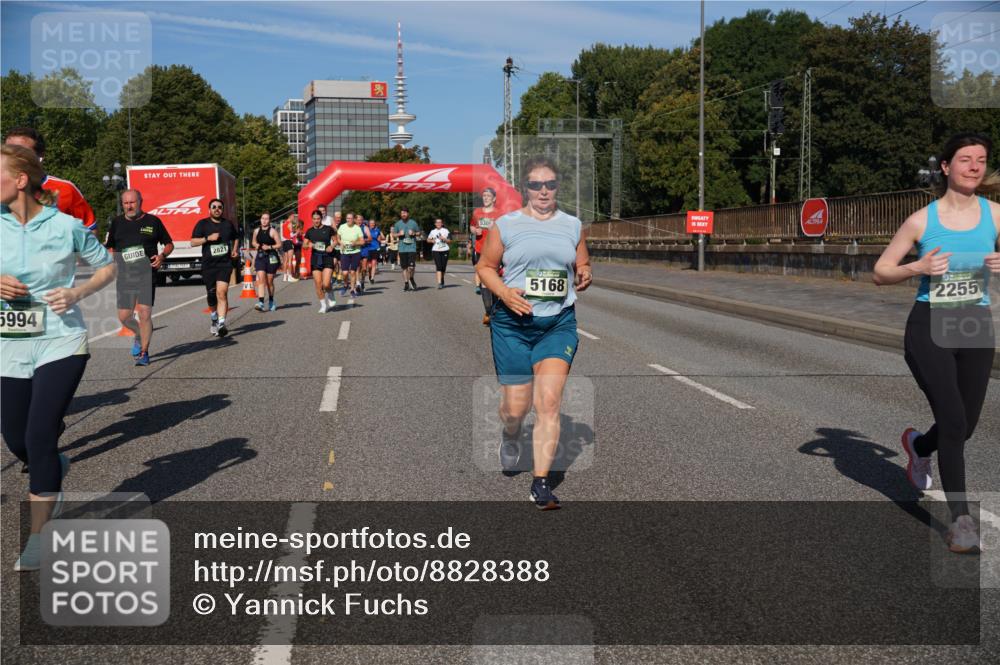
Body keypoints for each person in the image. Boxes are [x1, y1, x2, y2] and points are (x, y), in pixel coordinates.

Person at [874, 132, 1000, 554]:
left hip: (975, 325)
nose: (974, 167)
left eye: (981, 160)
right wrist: (919, 267)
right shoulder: (921, 220)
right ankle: (961, 523)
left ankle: (918, 446)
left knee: (964, 426)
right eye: (965, 159)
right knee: (953, 419)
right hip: (930, 326)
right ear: (946, 167)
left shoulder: (996, 214)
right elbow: (881, 272)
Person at [1, 144, 116, 570]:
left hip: (60, 341)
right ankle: (52, 463)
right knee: (16, 440)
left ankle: (39, 538)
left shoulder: (65, 226)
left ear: (20, 180)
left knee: (38, 436)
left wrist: (77, 292)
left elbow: (106, 266)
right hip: (7, 345)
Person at [477, 157, 593, 510]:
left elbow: (581, 261)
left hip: (557, 323)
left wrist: (585, 272)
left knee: (549, 402)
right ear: (524, 189)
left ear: (558, 187)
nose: (543, 191)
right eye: (535, 185)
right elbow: (484, 267)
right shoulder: (506, 225)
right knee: (516, 407)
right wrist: (505, 292)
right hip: (512, 325)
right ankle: (510, 434)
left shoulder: (573, 225)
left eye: (551, 184)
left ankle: (540, 483)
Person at [104, 188, 174, 366]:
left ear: (140, 202)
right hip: (125, 276)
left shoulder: (153, 221)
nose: (129, 206)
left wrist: (161, 256)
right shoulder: (117, 223)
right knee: (124, 317)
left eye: (132, 202)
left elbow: (169, 244)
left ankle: (144, 352)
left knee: (144, 313)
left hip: (146, 274)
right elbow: (109, 247)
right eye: (126, 203)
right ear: (122, 205)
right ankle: (138, 334)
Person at [3, 127, 97, 233]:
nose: (14, 157)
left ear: (40, 156)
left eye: (22, 152)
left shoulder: (66, 189)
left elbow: (89, 230)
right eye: (9, 152)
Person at [191, 198, 240, 337]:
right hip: (209, 265)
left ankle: (222, 323)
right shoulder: (203, 224)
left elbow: (236, 237)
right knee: (211, 295)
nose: (217, 209)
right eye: (214, 207)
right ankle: (214, 317)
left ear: (222, 210)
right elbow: (193, 242)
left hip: (224, 264)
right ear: (209, 209)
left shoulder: (228, 224)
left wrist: (235, 250)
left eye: (219, 207)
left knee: (222, 292)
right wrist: (208, 238)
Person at [470, 187, 499, 324]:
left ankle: (495, 310)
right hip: (480, 249)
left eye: (488, 195)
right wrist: (475, 230)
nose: (486, 198)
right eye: (484, 195)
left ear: (494, 198)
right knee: (483, 279)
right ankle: (489, 310)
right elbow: (471, 226)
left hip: (495, 250)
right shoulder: (477, 212)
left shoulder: (499, 214)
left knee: (494, 280)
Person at [304, 209, 336, 313]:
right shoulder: (309, 231)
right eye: (314, 219)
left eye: (318, 219)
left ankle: (330, 293)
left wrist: (331, 246)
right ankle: (323, 305)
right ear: (312, 219)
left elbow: (336, 240)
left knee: (326, 284)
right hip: (316, 258)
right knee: (318, 283)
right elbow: (304, 245)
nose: (316, 221)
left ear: (321, 219)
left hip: (327, 257)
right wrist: (310, 245)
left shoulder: (328, 229)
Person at [252, 212, 281, 312]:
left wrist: (269, 247)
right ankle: (260, 302)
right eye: (263, 218)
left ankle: (271, 300)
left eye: (266, 219)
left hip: (271, 257)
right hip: (260, 257)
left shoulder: (273, 231)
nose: (264, 220)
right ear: (260, 219)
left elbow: (279, 244)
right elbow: (253, 242)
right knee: (261, 279)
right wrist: (256, 245)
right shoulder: (256, 231)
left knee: (269, 282)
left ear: (269, 220)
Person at [393, 208, 422, 291]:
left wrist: (414, 233)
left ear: (408, 214)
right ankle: (406, 283)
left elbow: (419, 232)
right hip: (402, 249)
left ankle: (411, 278)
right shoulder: (398, 224)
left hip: (412, 248)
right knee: (404, 267)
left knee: (411, 267)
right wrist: (399, 234)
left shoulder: (413, 223)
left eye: (405, 213)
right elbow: (394, 234)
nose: (403, 214)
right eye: (402, 213)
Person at [337, 211, 365, 298]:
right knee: (345, 273)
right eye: (347, 218)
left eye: (350, 218)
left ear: (354, 220)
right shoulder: (342, 227)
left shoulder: (357, 228)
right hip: (345, 252)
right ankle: (345, 285)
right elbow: (337, 238)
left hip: (355, 252)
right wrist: (340, 243)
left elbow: (362, 241)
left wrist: (355, 243)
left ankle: (352, 290)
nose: (349, 220)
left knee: (353, 272)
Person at [426, 217, 451, 289]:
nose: (438, 224)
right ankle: (439, 283)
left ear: (442, 224)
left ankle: (442, 278)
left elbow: (450, 240)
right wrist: (431, 241)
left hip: (445, 250)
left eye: (440, 222)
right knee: (439, 267)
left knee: (443, 267)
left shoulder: (446, 231)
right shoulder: (432, 231)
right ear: (435, 224)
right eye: (437, 222)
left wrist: (444, 239)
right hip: (436, 250)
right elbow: (428, 240)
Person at [281, 213, 301, 282]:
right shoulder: (289, 223)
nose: (294, 218)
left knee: (285, 260)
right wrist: (297, 232)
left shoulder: (284, 223)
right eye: (293, 216)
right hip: (289, 241)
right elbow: (291, 234)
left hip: (284, 242)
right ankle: (289, 276)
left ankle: (285, 276)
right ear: (290, 216)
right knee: (290, 260)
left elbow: (284, 234)